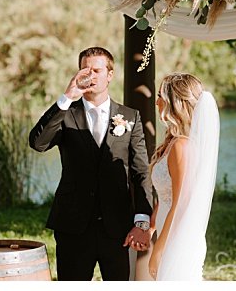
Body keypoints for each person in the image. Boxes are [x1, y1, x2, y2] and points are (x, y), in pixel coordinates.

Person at [28, 47, 153, 281]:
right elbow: (38, 143)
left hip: (116, 228)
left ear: (110, 74)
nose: (91, 76)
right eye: (86, 70)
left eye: (97, 70)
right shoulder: (65, 113)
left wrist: (142, 221)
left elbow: (140, 172)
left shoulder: (129, 117)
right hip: (73, 226)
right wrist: (66, 97)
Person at [134, 73, 220, 281]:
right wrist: (149, 228)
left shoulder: (181, 147)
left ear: (176, 103)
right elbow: (166, 196)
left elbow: (181, 203)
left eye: (161, 96)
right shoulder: (173, 142)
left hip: (180, 239)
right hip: (168, 231)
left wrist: (160, 249)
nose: (156, 101)